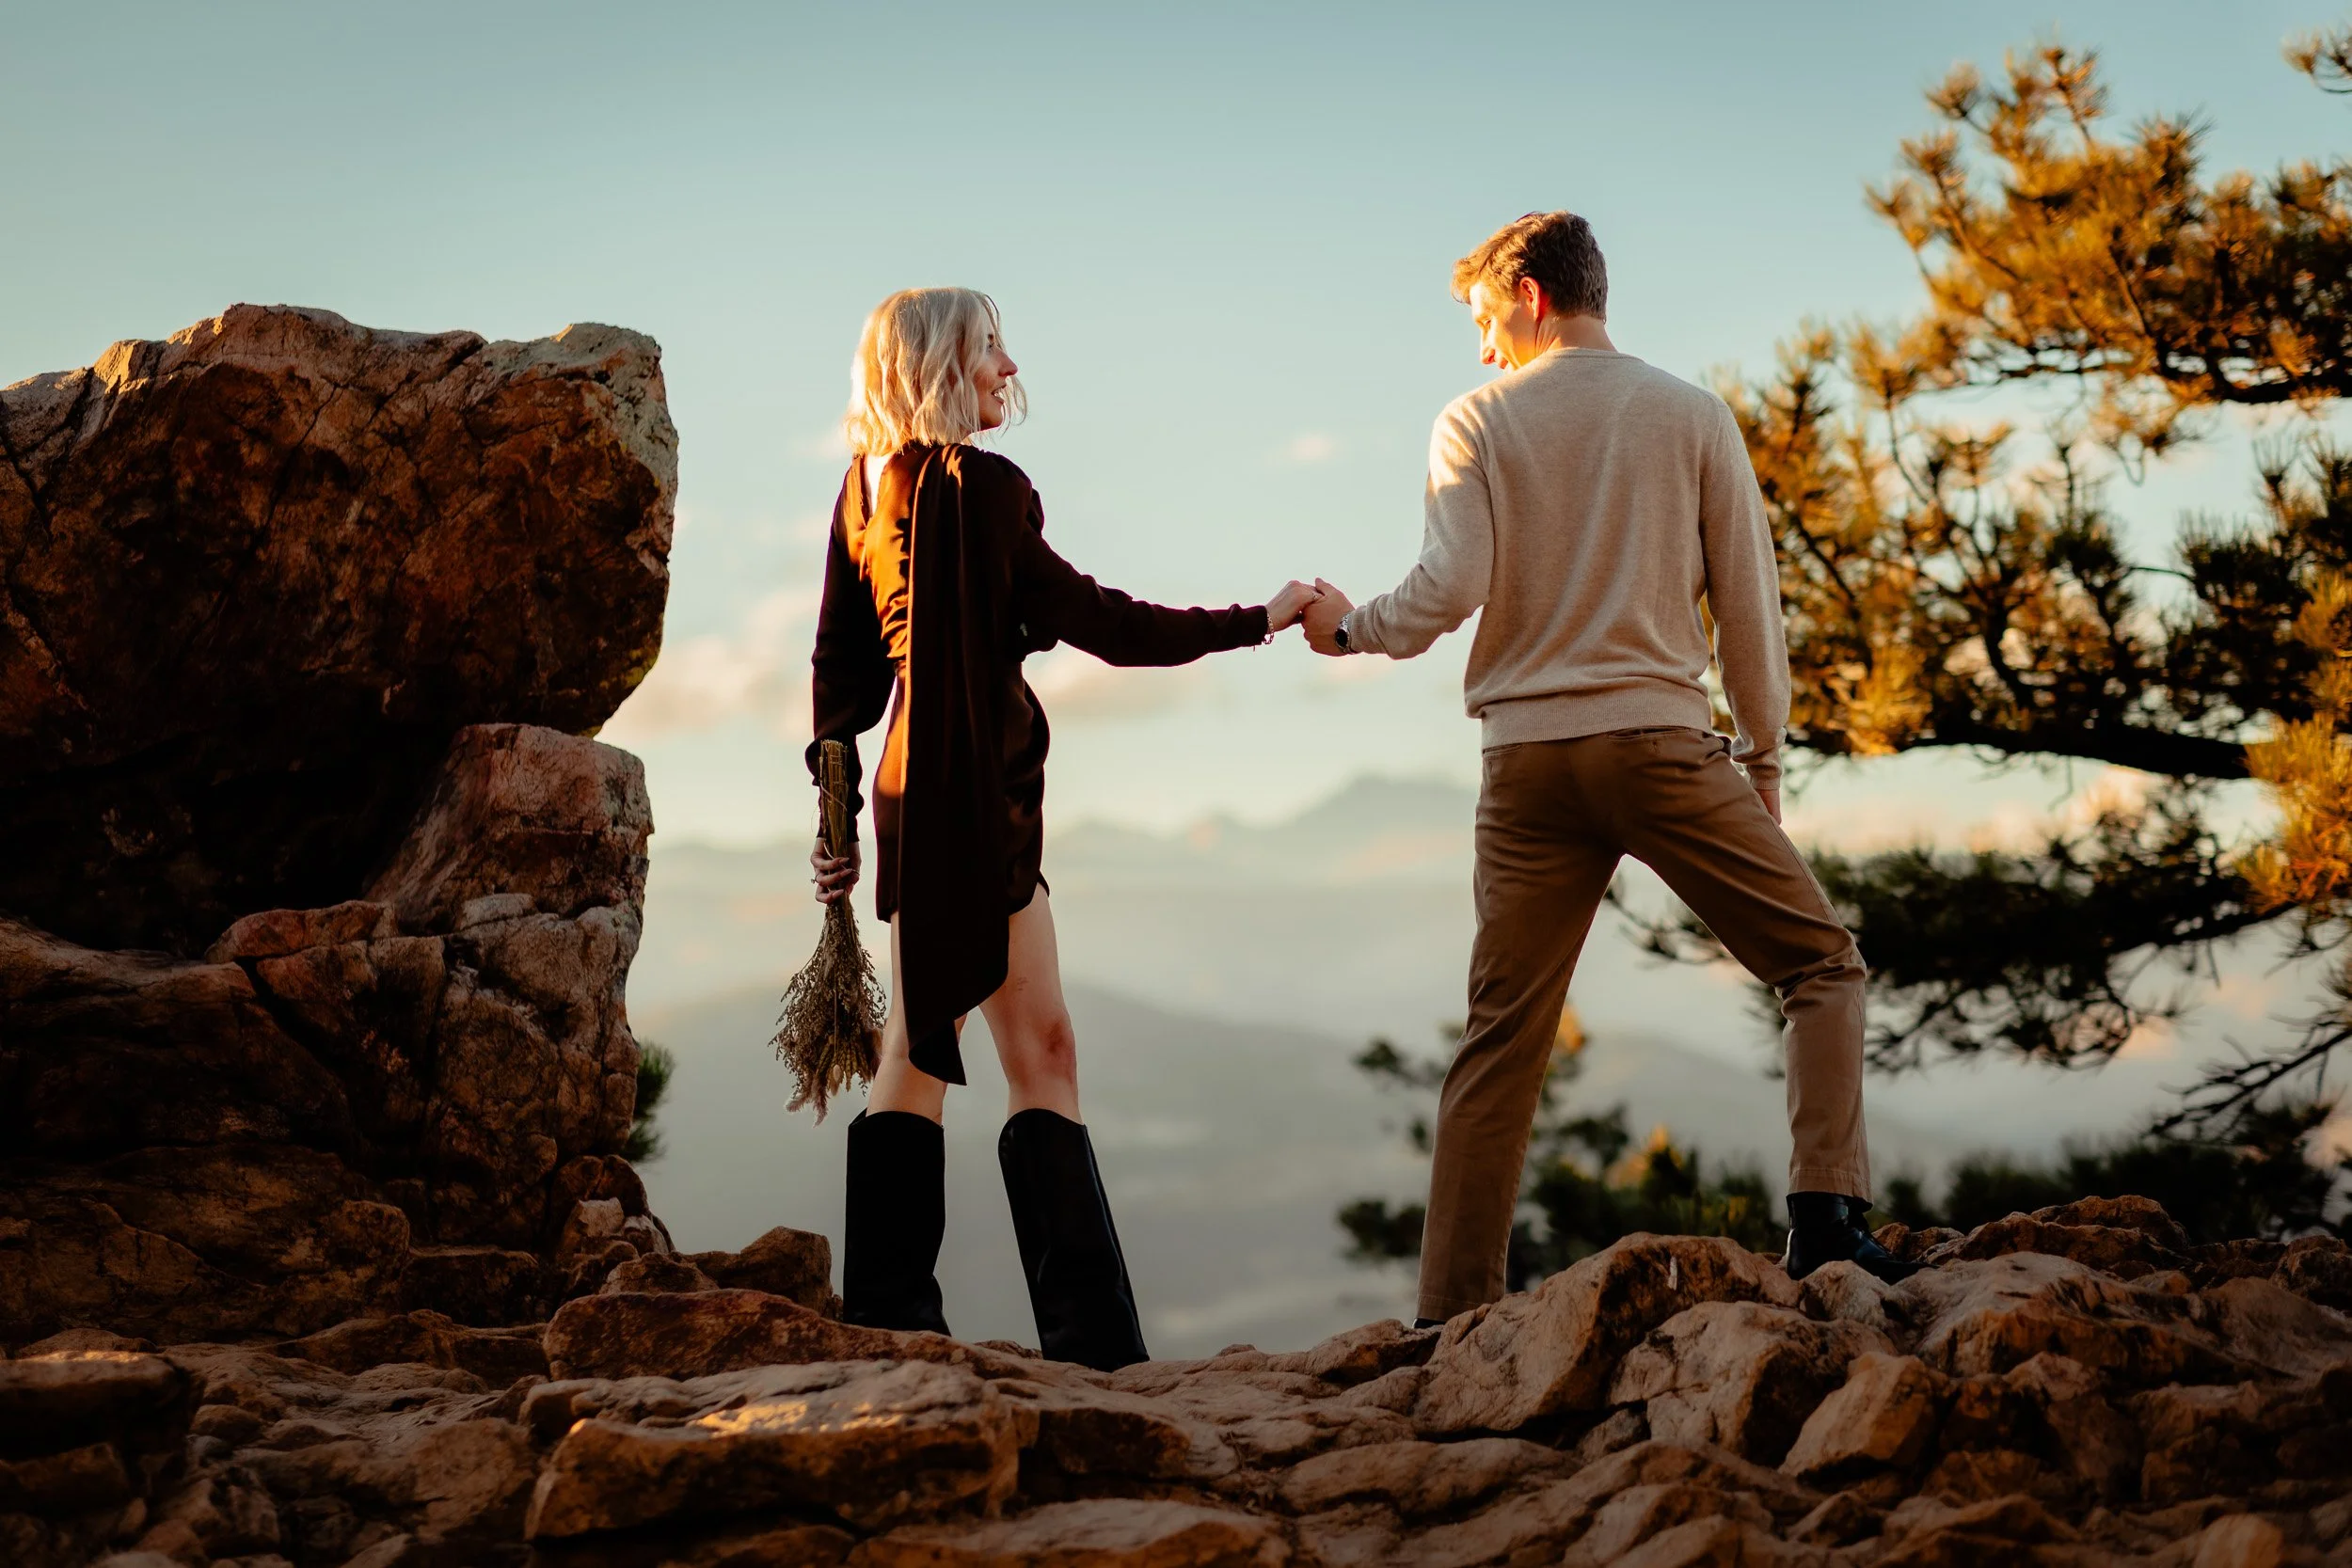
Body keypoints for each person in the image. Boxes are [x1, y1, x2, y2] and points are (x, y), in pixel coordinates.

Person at [1302, 212, 1918, 1327]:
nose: (1483, 348)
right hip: (1659, 751)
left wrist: (1351, 631)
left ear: (1530, 296)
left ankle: (1451, 1315)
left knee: (1500, 1045)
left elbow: (1445, 589)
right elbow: (1747, 610)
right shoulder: (1691, 415)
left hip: (1526, 767)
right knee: (1821, 967)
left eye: (1486, 320)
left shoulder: (1474, 419)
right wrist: (1763, 769)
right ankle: (1826, 1219)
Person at [806, 286, 1321, 1370]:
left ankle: (895, 1321)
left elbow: (837, 675)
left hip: (914, 791)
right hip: (979, 791)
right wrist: (1256, 620)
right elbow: (1101, 620)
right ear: (944, 363)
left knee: (935, 1047)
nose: (1008, 367)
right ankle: (1086, 1348)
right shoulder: (988, 489)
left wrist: (839, 815)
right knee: (1005, 1049)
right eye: (989, 349)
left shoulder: (863, 491)